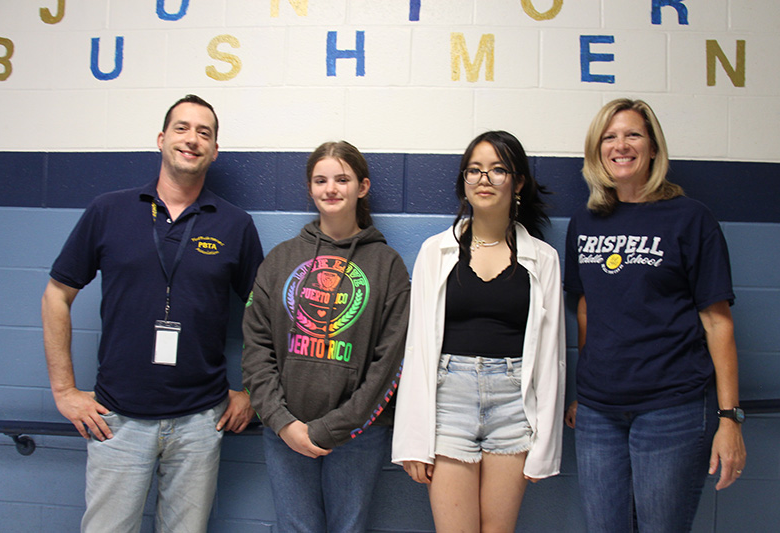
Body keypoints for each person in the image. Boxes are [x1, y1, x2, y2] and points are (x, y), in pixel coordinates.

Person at [40, 94, 264, 533]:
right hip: (117, 419)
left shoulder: (234, 224)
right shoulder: (110, 210)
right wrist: (64, 390)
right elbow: (56, 294)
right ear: (162, 139)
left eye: (205, 133)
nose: (192, 139)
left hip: (201, 421)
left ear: (214, 150)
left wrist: (253, 390)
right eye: (182, 128)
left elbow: (264, 312)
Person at [563, 98, 747, 532]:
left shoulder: (690, 219)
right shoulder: (585, 222)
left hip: (671, 409)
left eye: (633, 135)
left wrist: (730, 419)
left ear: (653, 148)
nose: (620, 145)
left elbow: (717, 321)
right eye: (609, 137)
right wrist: (584, 389)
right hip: (597, 413)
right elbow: (587, 307)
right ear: (597, 150)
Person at [392, 131, 566, 532]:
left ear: (518, 182)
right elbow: (416, 350)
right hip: (448, 402)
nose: (484, 178)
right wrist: (414, 439)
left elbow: (553, 359)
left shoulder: (544, 259)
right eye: (474, 170)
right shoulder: (435, 252)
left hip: (513, 403)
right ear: (464, 181)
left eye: (497, 169)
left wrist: (545, 446)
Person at [242, 141, 410, 533]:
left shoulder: (388, 266)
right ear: (310, 188)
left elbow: (390, 362)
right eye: (321, 180)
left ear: (362, 187)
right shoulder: (280, 259)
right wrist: (283, 422)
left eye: (342, 179)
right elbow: (256, 346)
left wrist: (333, 428)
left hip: (358, 434)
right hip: (285, 430)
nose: (330, 188)